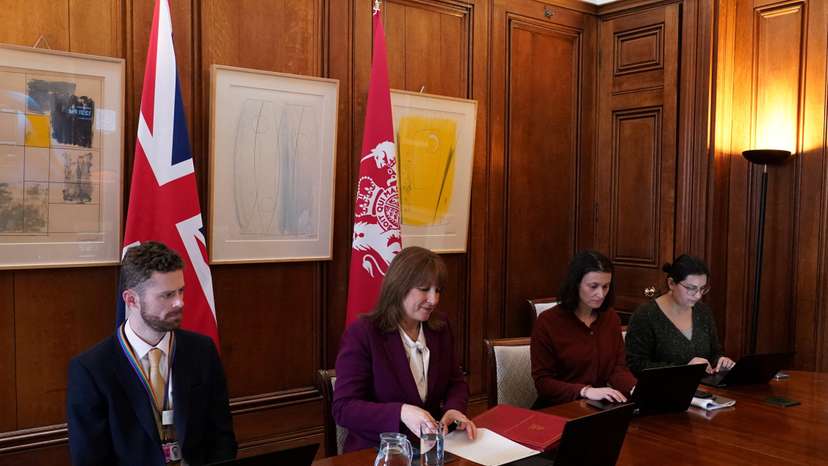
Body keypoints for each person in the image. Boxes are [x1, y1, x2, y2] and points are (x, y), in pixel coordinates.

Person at [67, 241, 237, 466]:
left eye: (181, 291)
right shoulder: (91, 370)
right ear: (131, 300)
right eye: (166, 295)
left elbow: (222, 438)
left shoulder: (201, 351)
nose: (179, 302)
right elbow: (90, 459)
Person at [333, 246, 476, 453]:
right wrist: (400, 412)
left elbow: (456, 382)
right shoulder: (363, 333)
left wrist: (454, 408)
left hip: (435, 448)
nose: (434, 300)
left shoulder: (440, 327)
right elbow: (344, 408)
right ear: (399, 287)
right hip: (380, 451)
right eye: (425, 289)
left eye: (438, 291)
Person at [531, 250, 636, 408]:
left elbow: (617, 369)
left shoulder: (611, 318)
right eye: (593, 286)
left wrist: (636, 388)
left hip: (596, 407)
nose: (600, 294)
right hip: (558, 408)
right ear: (576, 284)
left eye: (605, 286)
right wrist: (585, 391)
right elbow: (543, 383)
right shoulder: (547, 322)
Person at [625, 255, 735, 375]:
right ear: (671, 283)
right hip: (664, 388)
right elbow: (636, 365)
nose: (698, 295)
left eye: (702, 289)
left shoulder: (703, 311)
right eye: (691, 288)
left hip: (705, 388)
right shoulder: (645, 315)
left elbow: (715, 352)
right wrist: (684, 368)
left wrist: (721, 361)